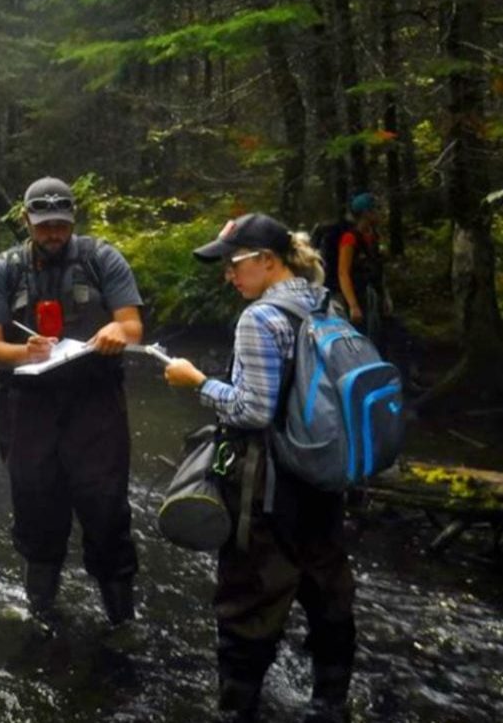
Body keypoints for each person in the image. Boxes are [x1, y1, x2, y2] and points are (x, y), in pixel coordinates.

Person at [164, 213, 356, 723]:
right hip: (322, 474)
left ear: (267, 261)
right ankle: (330, 703)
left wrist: (196, 381)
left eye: (235, 265)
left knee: (248, 598)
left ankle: (236, 708)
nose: (229, 276)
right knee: (327, 591)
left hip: (267, 485)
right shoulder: (325, 302)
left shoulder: (260, 318)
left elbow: (253, 410)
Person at [0, 177, 144, 630]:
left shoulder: (101, 258)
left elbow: (132, 325)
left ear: (73, 220)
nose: (53, 234)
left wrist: (115, 333)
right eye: (44, 225)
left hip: (96, 405)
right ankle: (41, 616)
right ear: (26, 219)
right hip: (28, 409)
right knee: (36, 510)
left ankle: (122, 621)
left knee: (106, 510)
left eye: (61, 225)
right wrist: (22, 352)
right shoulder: (3, 271)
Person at [335, 192, 387, 345]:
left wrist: (385, 295)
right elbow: (343, 272)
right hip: (358, 295)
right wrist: (353, 306)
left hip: (373, 294)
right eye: (375, 209)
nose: (379, 213)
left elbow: (379, 268)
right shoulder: (350, 238)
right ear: (366, 213)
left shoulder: (374, 236)